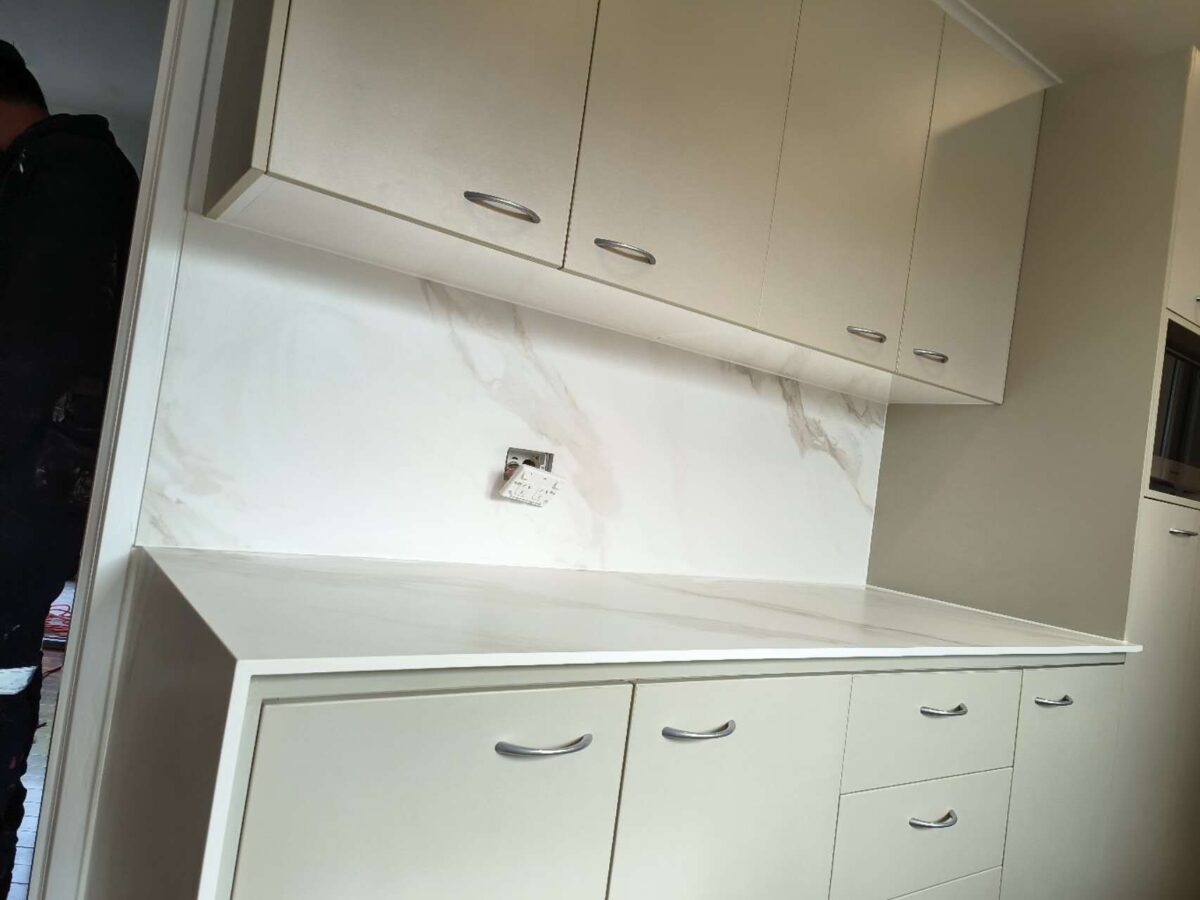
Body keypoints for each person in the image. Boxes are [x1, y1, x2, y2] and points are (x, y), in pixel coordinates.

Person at [0, 40, 138, 890]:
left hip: (18, 522)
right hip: (27, 522)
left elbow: (30, 355)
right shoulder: (61, 178)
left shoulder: (64, 179)